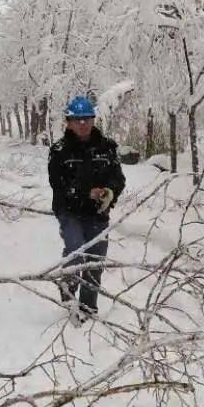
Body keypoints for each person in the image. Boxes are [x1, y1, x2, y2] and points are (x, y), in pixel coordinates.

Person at [48, 95, 126, 321]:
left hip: (97, 214)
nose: (83, 124)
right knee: (76, 250)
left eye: (87, 119)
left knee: (95, 259)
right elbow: (58, 185)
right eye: (77, 119)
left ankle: (88, 308)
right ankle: (69, 295)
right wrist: (86, 193)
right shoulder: (59, 150)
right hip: (69, 212)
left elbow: (118, 178)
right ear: (68, 122)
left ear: (93, 120)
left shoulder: (107, 148)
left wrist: (109, 192)